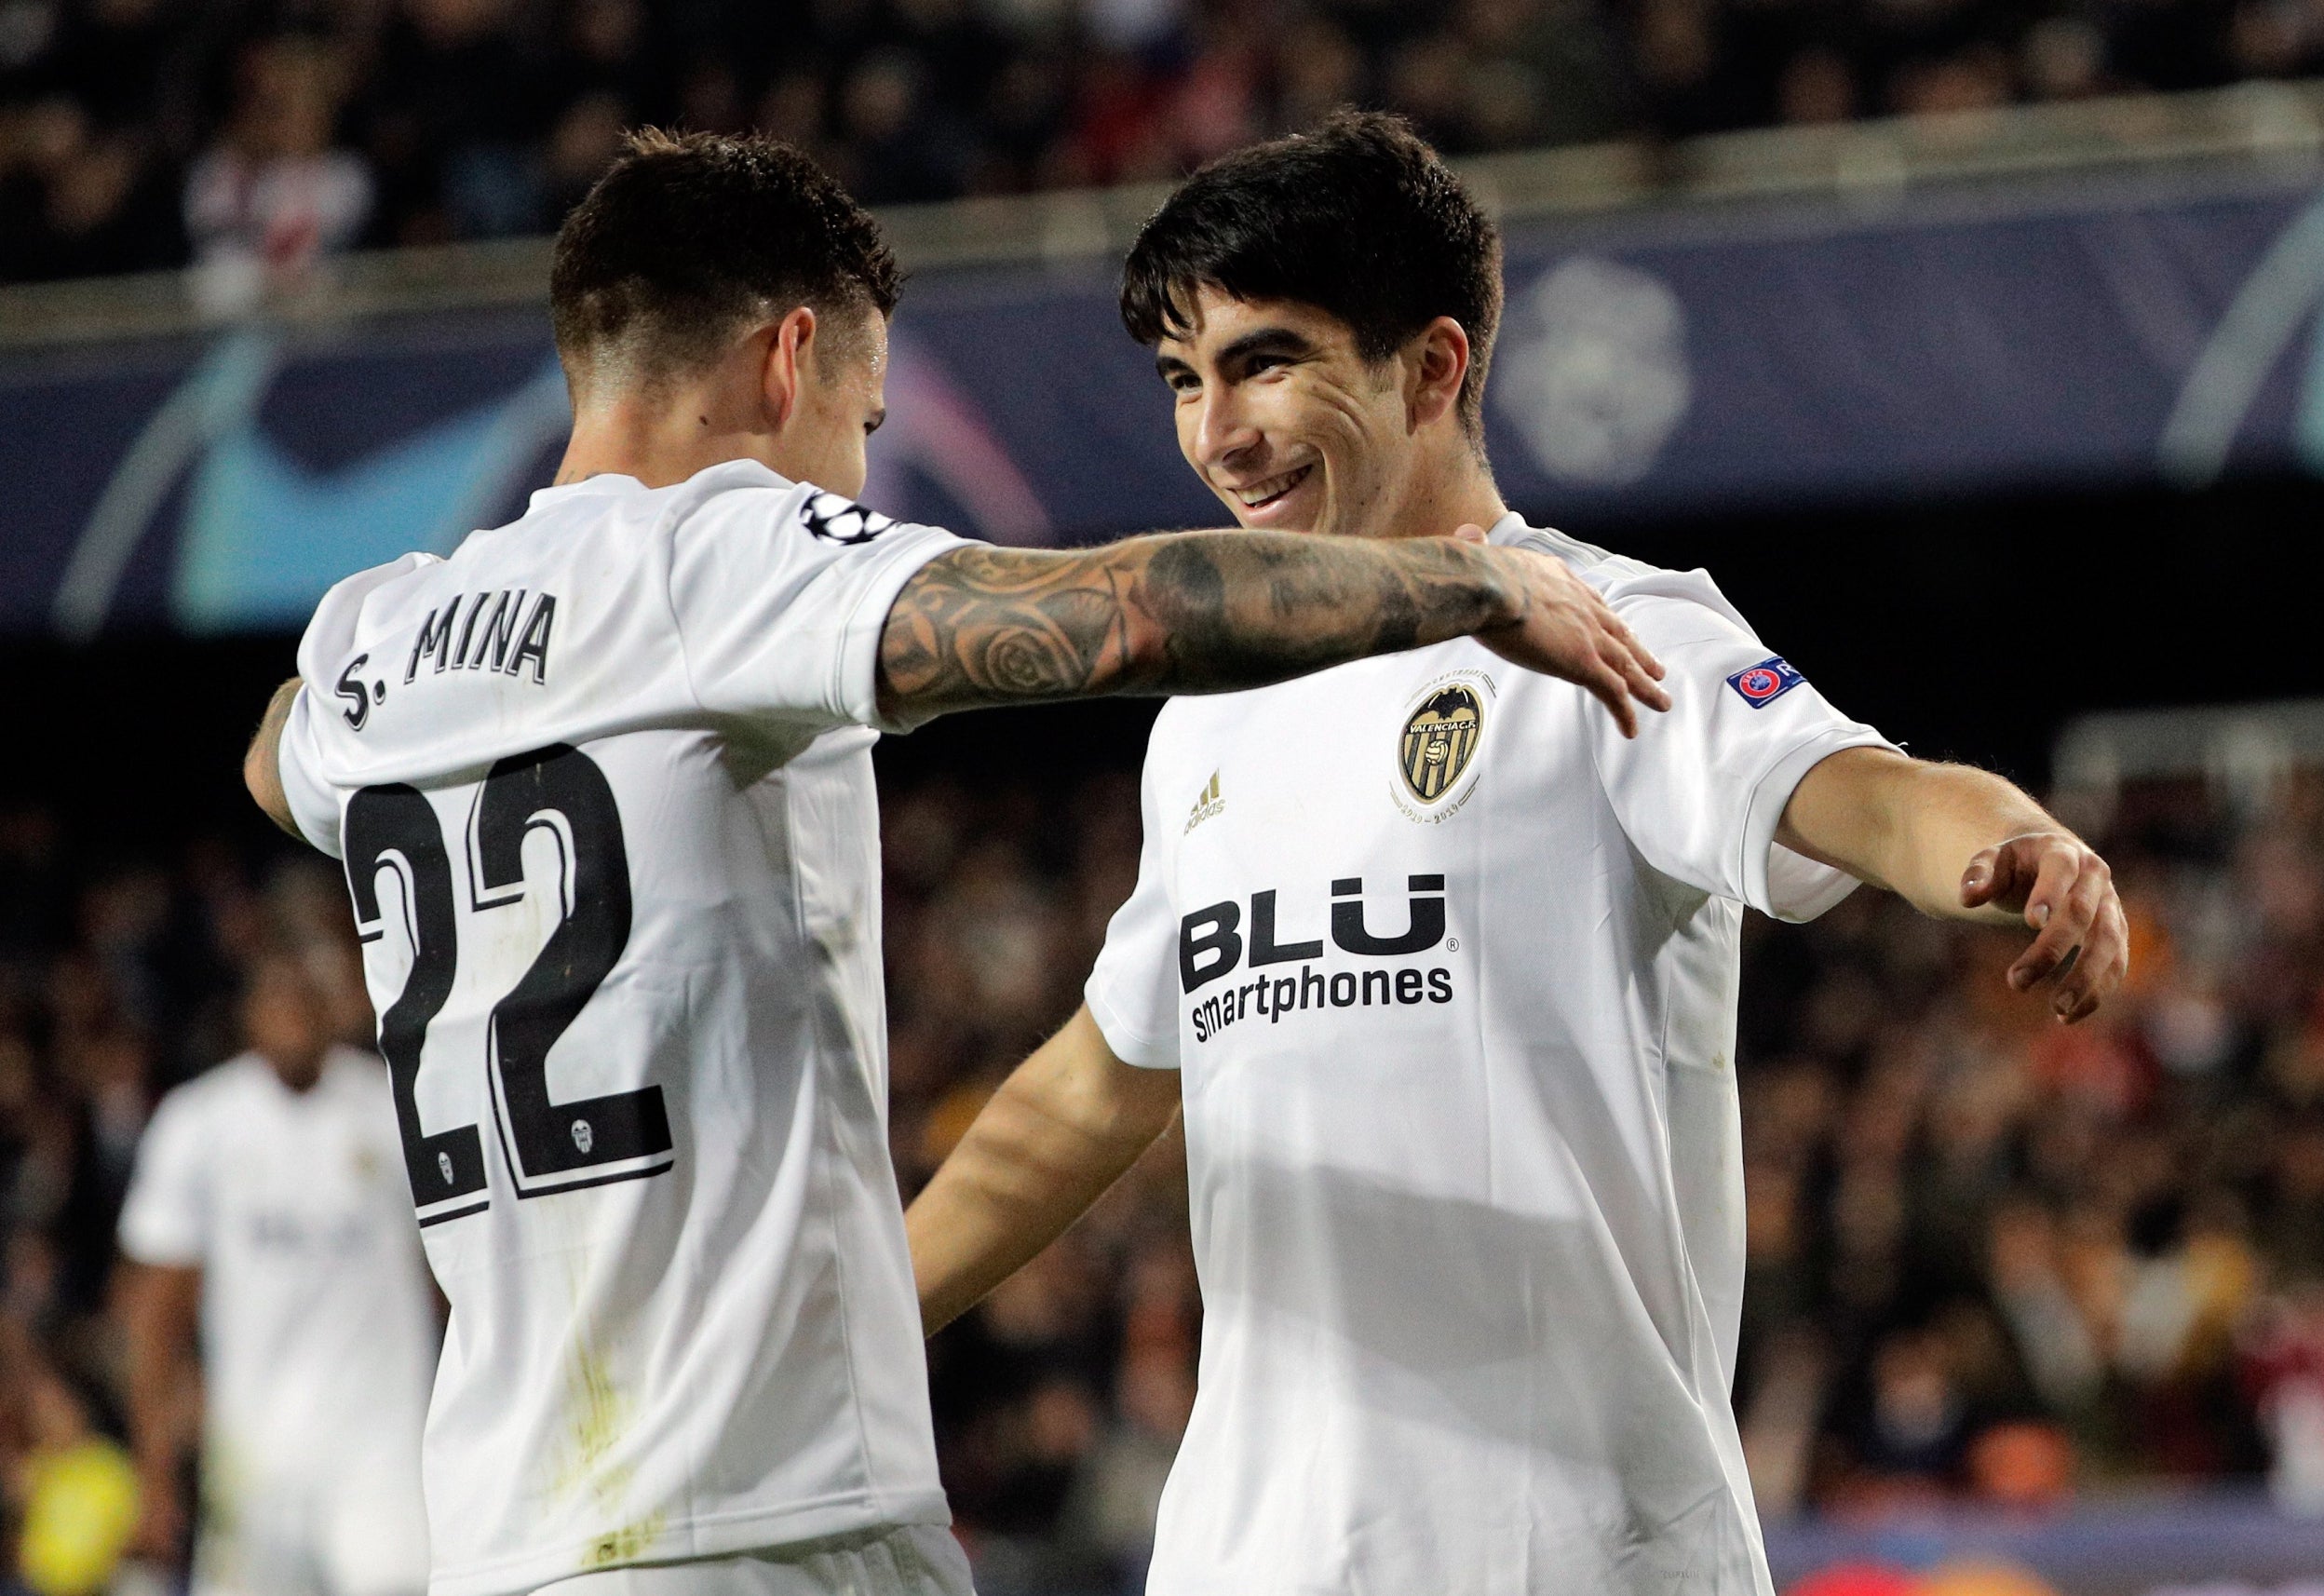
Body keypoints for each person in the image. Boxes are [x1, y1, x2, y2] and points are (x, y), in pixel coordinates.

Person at [238, 128, 1668, 1596]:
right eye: (861, 423)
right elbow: (1116, 613)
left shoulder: (376, 635)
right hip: (770, 1524)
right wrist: (1463, 579)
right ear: (789, 359)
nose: (856, 478)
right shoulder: (724, 555)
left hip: (501, 1537)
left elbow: (275, 758)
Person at [904, 112, 2132, 1596]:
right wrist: (842, 1331)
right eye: (1185, 378)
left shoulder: (1608, 626)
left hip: (1574, 1558)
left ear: (1433, 366)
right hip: (1253, 1560)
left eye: (1268, 362)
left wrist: (2015, 837)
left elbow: (1859, 789)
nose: (1217, 434)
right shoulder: (1211, 725)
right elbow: (1094, 1087)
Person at [117, 952, 436, 1596]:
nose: (291, 1016)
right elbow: (155, 1311)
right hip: (254, 1460)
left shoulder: (393, 1109)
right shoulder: (199, 1123)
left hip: (385, 1452)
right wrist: (154, 1470)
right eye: (276, 999)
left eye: (306, 999)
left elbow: (447, 1279)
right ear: (249, 1014)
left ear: (330, 1008)